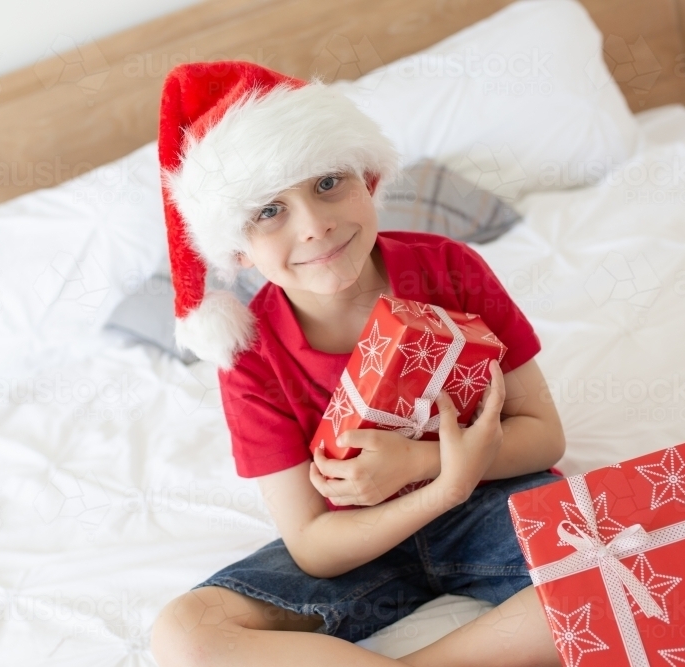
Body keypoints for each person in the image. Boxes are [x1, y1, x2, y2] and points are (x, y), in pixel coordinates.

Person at [150, 60, 566, 667]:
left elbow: (544, 435)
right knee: (186, 634)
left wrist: (431, 467)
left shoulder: (450, 269)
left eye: (326, 183)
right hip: (360, 542)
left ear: (365, 177)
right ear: (237, 249)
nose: (315, 225)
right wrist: (435, 491)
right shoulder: (249, 356)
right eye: (269, 211)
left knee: (626, 558)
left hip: (490, 503)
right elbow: (314, 547)